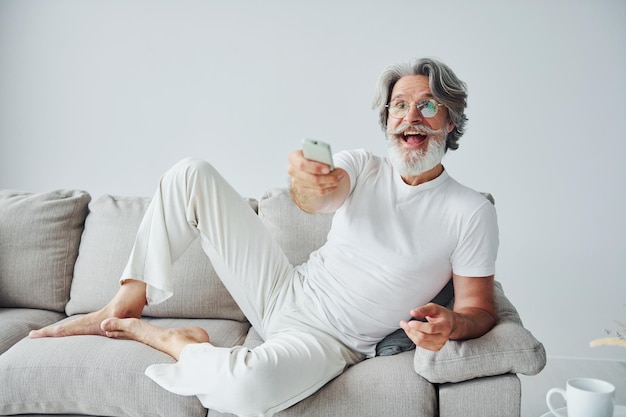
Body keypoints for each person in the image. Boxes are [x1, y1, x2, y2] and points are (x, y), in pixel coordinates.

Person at [29, 57, 499, 417]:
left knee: (246, 391)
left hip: (330, 340)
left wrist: (453, 324)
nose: (410, 116)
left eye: (427, 105)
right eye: (399, 106)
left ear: (450, 120)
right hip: (283, 288)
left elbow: (479, 308)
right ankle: (124, 304)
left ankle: (166, 338)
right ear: (388, 121)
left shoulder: (470, 211)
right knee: (190, 173)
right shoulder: (364, 166)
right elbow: (321, 195)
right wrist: (309, 181)